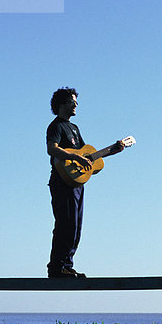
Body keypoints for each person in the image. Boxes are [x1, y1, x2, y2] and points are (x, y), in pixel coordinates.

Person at [46, 88, 118, 278]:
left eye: (76, 102)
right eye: (72, 101)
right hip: (61, 181)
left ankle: (67, 265)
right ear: (62, 104)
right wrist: (74, 158)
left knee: (76, 225)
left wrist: (113, 150)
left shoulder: (75, 129)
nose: (76, 105)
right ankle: (56, 267)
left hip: (76, 184)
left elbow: (87, 155)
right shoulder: (55, 126)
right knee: (65, 223)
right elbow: (52, 149)